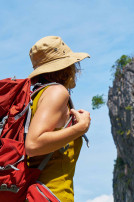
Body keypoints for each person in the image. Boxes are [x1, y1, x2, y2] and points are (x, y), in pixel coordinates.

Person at [25, 36, 91, 202]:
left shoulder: (35, 96)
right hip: (51, 195)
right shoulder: (56, 92)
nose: (77, 70)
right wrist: (80, 128)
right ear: (66, 68)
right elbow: (33, 145)